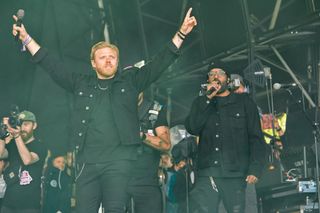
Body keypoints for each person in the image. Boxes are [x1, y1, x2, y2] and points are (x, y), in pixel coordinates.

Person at [12, 8, 197, 213]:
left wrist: (181, 33)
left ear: (117, 62)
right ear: (93, 63)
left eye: (112, 57)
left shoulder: (131, 81)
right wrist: (27, 38)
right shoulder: (81, 84)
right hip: (87, 163)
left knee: (115, 209)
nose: (108, 60)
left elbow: (160, 63)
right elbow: (53, 66)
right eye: (103, 57)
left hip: (119, 163)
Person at [185, 64, 266, 213]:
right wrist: (207, 98)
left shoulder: (244, 102)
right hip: (207, 174)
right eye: (211, 74)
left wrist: (255, 168)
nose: (215, 76)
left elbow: (256, 137)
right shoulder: (200, 103)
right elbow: (192, 128)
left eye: (220, 73)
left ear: (227, 79)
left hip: (235, 173)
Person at [126, 92, 170, 213]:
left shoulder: (155, 109)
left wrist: (142, 136)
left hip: (146, 180)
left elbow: (166, 144)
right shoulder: (113, 106)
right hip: (117, 180)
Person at [0, 111, 47, 213]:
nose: (22, 128)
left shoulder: (40, 146)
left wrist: (17, 136)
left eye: (26, 124)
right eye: (20, 124)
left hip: (29, 206)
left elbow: (27, 160)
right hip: (8, 205)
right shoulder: (13, 144)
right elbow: (0, 154)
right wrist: (2, 134)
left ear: (34, 126)